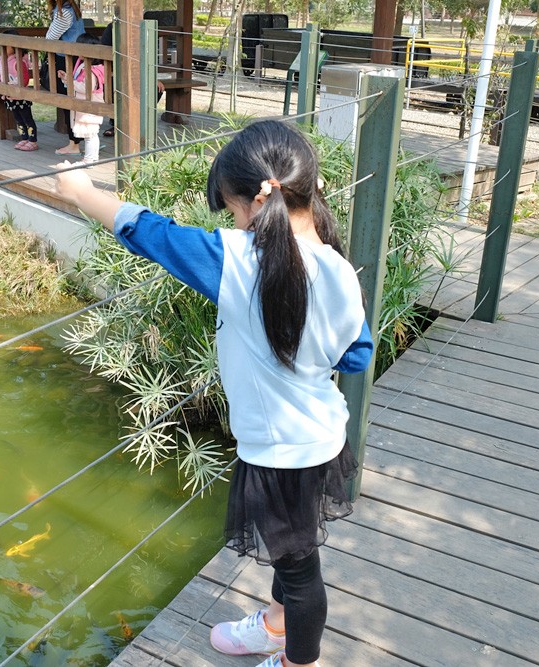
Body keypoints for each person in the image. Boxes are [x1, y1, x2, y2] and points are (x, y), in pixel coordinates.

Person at [54, 120, 374, 667]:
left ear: (253, 203)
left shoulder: (240, 261)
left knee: (300, 573)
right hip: (319, 436)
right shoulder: (341, 270)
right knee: (290, 550)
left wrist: (83, 194)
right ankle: (275, 626)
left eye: (229, 209)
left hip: (281, 455)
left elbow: (155, 236)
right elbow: (357, 354)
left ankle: (301, 661)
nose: (231, 221)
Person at [44, 0, 85, 154]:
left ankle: (74, 144)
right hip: (75, 59)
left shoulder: (64, 12)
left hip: (67, 60)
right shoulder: (72, 9)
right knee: (73, 100)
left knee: (68, 101)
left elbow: (50, 37)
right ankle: (77, 140)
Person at [58, 33, 105, 163]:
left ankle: (90, 159)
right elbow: (76, 83)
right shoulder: (83, 65)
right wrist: (66, 79)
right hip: (83, 106)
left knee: (91, 134)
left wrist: (69, 81)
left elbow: (86, 88)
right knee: (88, 134)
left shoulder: (93, 70)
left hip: (90, 105)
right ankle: (89, 158)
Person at [0, 32, 38, 151]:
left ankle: (33, 140)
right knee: (18, 119)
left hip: (21, 96)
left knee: (27, 119)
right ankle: (24, 138)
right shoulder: (5, 60)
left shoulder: (18, 61)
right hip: (11, 96)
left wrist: (14, 88)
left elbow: (25, 80)